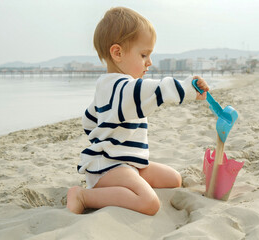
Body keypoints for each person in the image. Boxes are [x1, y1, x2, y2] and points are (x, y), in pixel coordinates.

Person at [67, 6, 209, 216]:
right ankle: (83, 195)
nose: (149, 62)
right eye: (144, 55)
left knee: (173, 179)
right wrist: (188, 89)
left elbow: (89, 120)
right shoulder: (122, 87)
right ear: (118, 53)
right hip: (108, 166)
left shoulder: (108, 86)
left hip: (126, 161)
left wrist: (102, 139)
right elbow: (154, 90)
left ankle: (126, 184)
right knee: (148, 202)